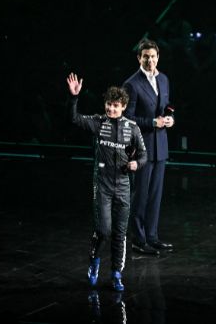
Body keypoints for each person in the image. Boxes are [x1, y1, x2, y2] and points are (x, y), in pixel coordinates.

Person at [67, 73, 147, 291]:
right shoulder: (98, 122)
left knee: (120, 234)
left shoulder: (132, 127)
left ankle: (116, 274)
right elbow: (74, 119)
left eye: (116, 105)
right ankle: (94, 263)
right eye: (109, 105)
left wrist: (135, 165)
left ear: (123, 107)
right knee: (103, 230)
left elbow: (143, 155)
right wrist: (74, 98)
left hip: (123, 185)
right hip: (102, 185)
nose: (112, 109)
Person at [123, 39, 175, 256]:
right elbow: (127, 117)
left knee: (155, 195)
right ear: (139, 58)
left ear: (158, 57)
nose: (150, 60)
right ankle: (138, 239)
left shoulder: (163, 79)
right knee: (141, 195)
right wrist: (152, 123)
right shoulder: (132, 84)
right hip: (142, 147)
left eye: (153, 56)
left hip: (160, 146)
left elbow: (166, 106)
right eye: (146, 56)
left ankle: (152, 237)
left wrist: (171, 118)